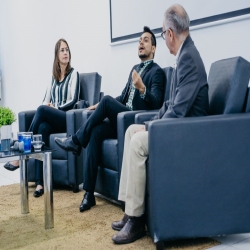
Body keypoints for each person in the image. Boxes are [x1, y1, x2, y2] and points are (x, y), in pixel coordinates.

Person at [111, 4, 209, 244]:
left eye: (164, 35)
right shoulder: (184, 55)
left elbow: (178, 111)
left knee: (137, 142)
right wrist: (150, 122)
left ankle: (136, 220)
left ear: (169, 34)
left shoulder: (188, 59)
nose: (165, 41)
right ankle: (128, 208)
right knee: (132, 130)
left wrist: (154, 127)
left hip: (187, 134)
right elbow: (168, 104)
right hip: (178, 127)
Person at [55, 26, 165, 212]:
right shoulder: (135, 68)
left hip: (135, 122)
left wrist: (142, 88)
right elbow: (122, 98)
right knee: (96, 131)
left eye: (145, 40)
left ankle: (75, 140)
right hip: (121, 119)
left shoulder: (157, 72)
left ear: (153, 49)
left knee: (105, 101)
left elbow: (155, 103)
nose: (141, 43)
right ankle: (89, 194)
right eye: (139, 40)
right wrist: (100, 106)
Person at [4, 38, 80, 198]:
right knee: (42, 129)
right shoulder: (52, 78)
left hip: (66, 118)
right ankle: (40, 183)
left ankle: (21, 154)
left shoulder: (74, 75)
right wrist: (48, 107)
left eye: (67, 50)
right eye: (62, 50)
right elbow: (45, 101)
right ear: (56, 55)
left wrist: (54, 108)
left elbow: (73, 101)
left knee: (42, 110)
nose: (66, 53)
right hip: (53, 119)